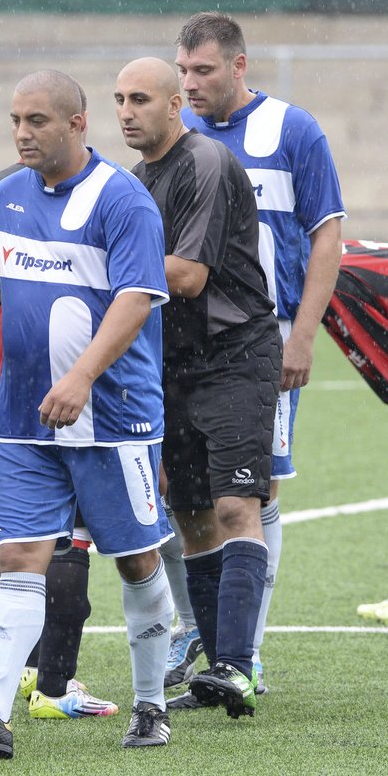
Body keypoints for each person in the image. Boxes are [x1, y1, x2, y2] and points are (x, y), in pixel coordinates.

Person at [0, 69, 174, 758]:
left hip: (113, 418)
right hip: (24, 420)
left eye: (37, 121)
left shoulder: (123, 202)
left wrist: (83, 376)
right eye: (15, 121)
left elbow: (135, 299)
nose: (22, 134)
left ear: (76, 123)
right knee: (20, 555)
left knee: (135, 561)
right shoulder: (6, 197)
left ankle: (151, 704)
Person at [174, 11, 346, 693]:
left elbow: (327, 238)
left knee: (252, 487)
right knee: (180, 495)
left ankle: (245, 652)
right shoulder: (175, 136)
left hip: (262, 342)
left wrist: (300, 335)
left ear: (239, 67)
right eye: (182, 71)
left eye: (204, 71)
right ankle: (201, 632)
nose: (190, 84)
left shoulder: (292, 130)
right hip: (184, 349)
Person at [116, 56, 282, 719]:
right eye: (118, 99)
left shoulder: (204, 162)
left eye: (141, 99)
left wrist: (108, 272)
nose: (127, 111)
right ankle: (217, 670)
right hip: (171, 367)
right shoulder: (135, 181)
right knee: (189, 521)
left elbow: (185, 276)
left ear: (174, 105)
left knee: (237, 505)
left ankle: (240, 667)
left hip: (236, 354)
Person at [0, 163, 118, 722]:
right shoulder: (106, 193)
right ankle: (54, 683)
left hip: (2, 384)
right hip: (56, 384)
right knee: (67, 538)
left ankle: (28, 670)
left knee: (19, 533)